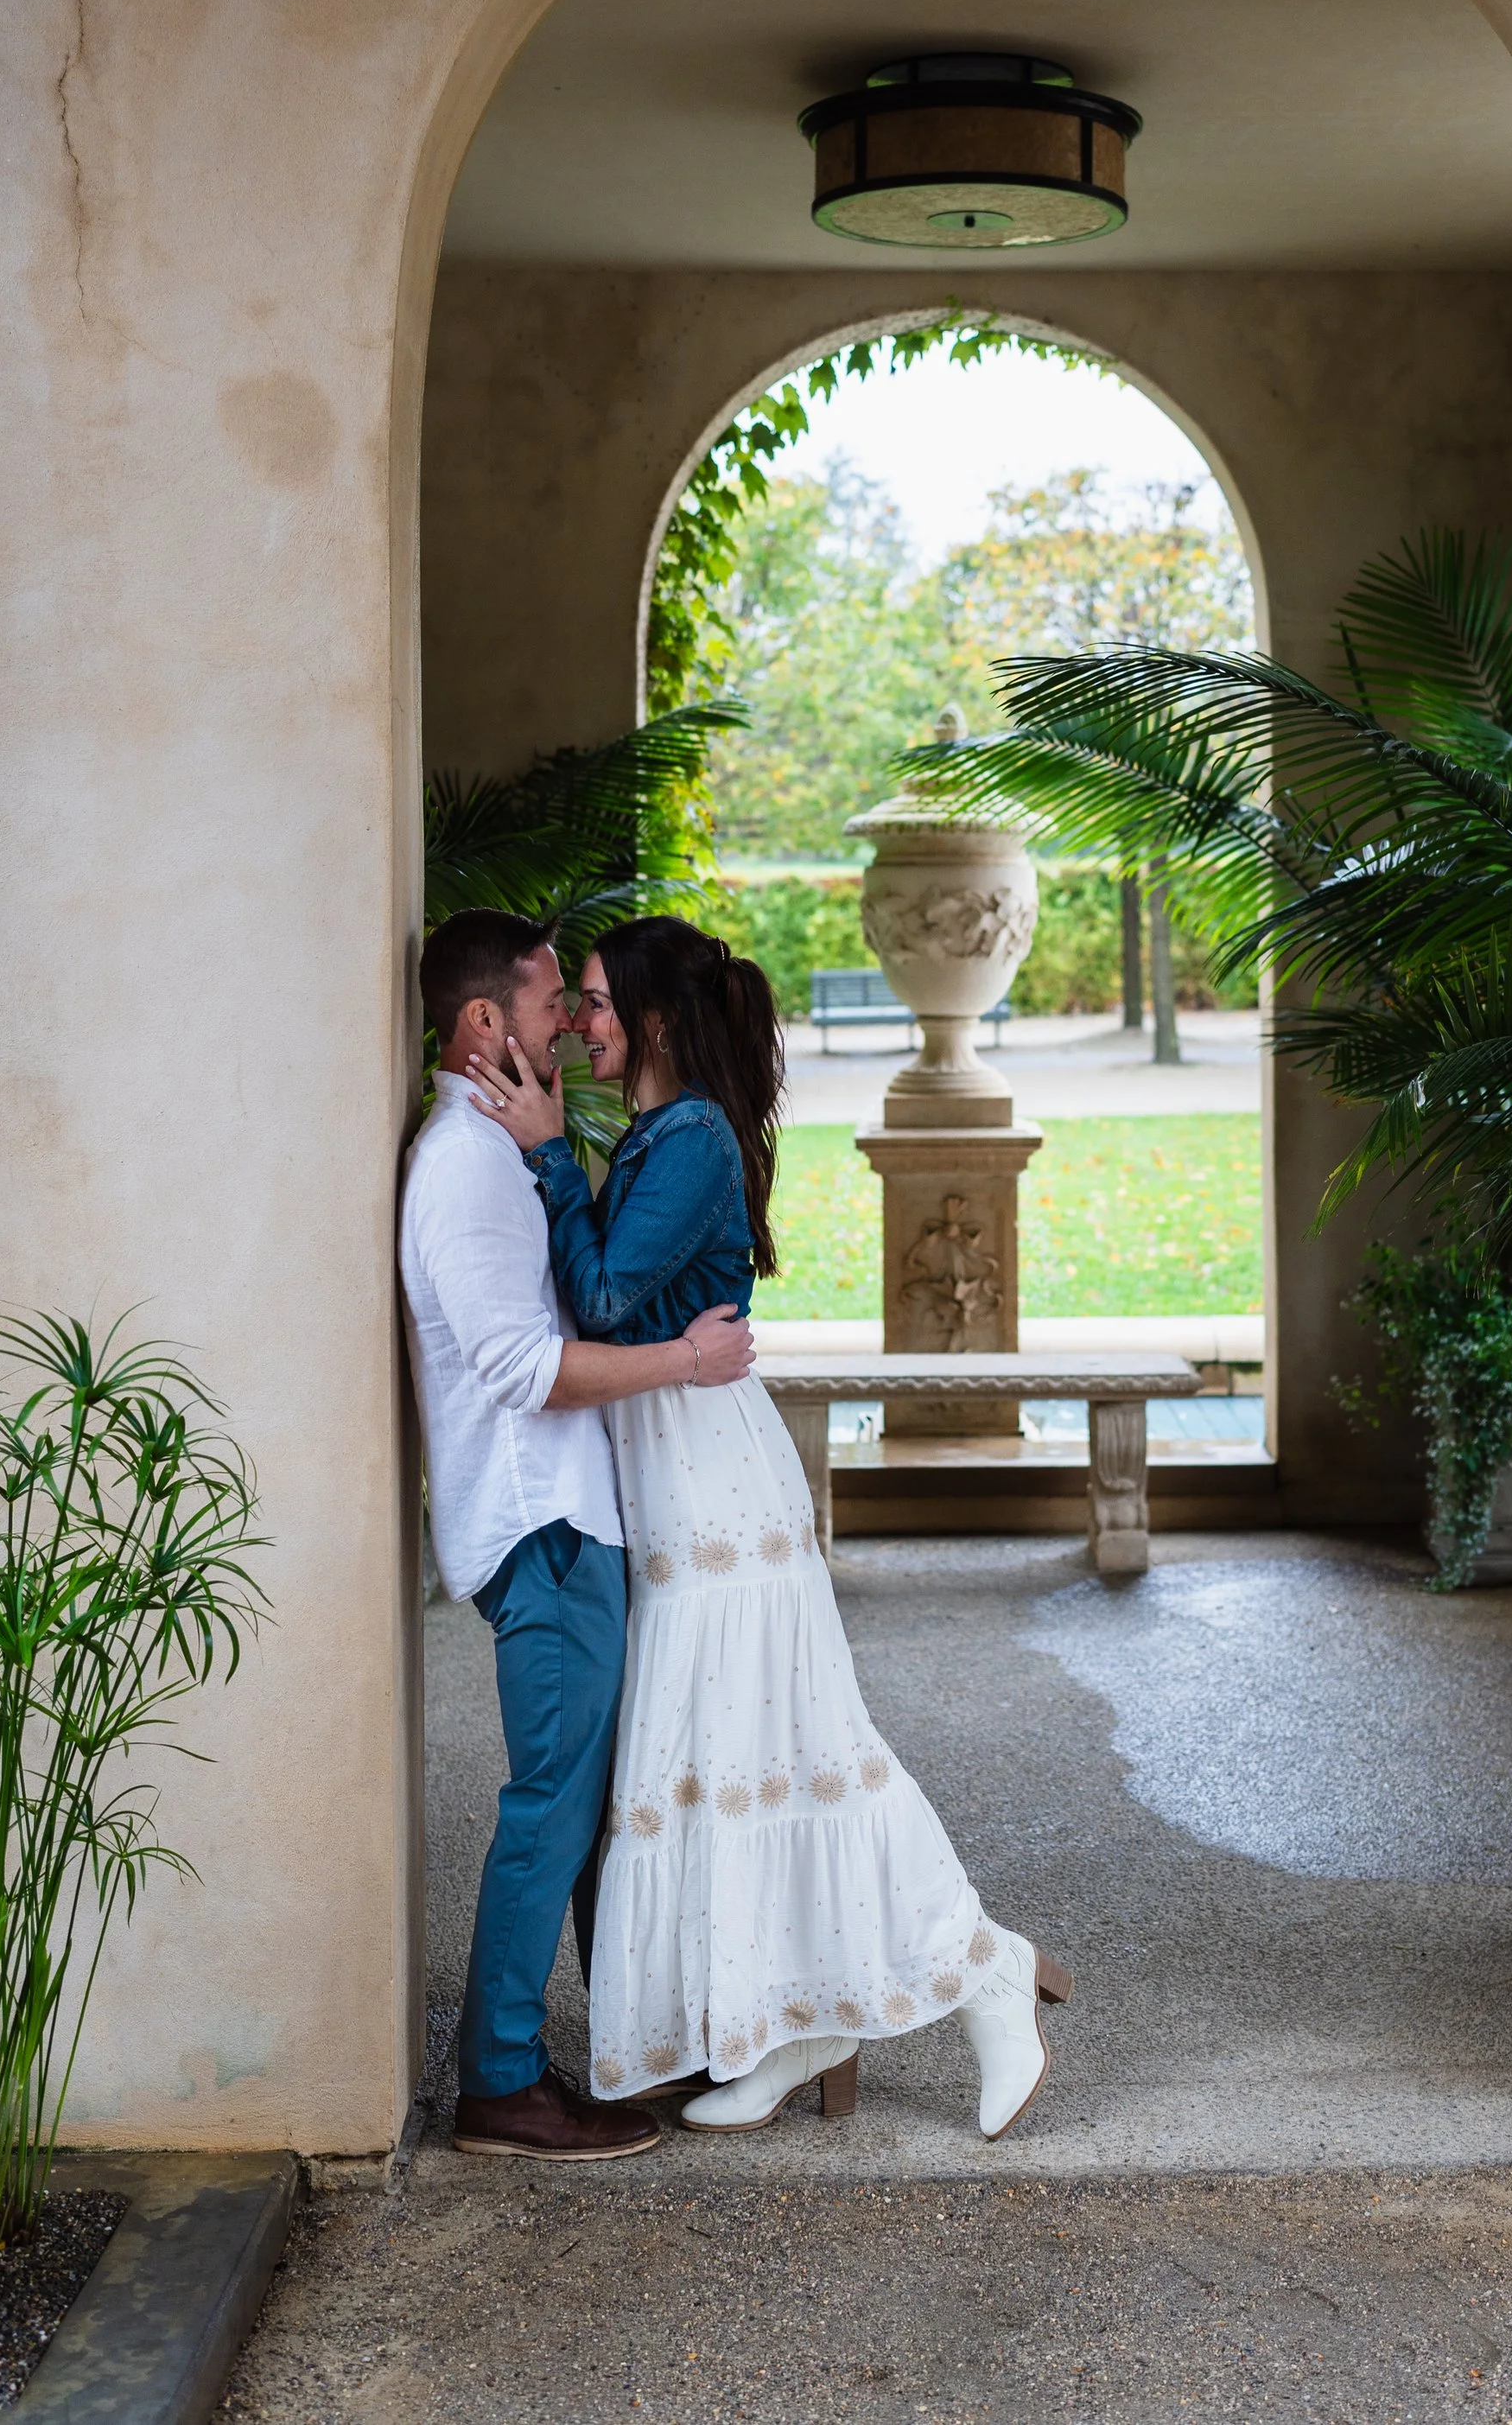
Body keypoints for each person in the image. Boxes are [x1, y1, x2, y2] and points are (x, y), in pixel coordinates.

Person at [467, 913, 1073, 2139]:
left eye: (594, 1001)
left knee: (806, 1750)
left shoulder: (687, 1139)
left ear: (656, 1020)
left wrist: (541, 1155)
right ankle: (793, 2026)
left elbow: (599, 1294)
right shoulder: (656, 1133)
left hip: (719, 1490)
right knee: (723, 1770)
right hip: (673, 1476)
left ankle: (987, 1967)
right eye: (574, 999)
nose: (580, 1022)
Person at [401, 909, 757, 2162]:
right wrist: (687, 1358)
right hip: (543, 1529)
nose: (569, 1020)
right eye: (555, 999)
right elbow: (519, 1364)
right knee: (552, 1802)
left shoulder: (502, 1148)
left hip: (576, 1520)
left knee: (595, 1800)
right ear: (485, 1021)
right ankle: (499, 2081)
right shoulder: (465, 1160)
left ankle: (636, 2041)